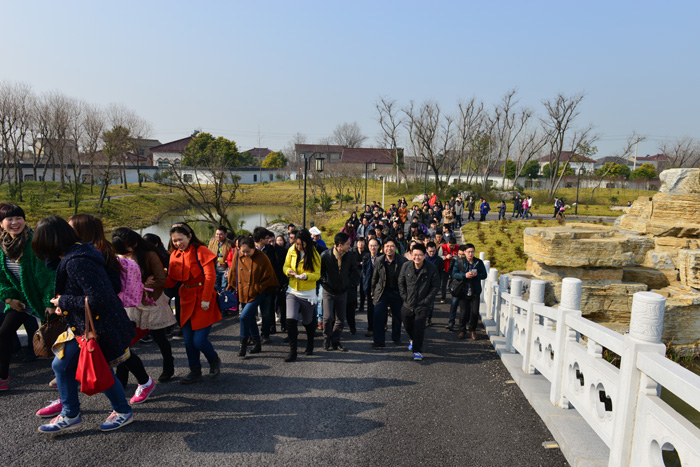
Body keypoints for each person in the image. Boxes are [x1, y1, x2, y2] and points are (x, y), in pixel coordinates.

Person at [33, 216, 135, 433]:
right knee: (65, 366)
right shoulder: (77, 253)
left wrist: (64, 301)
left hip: (97, 327)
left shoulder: (77, 261)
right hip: (85, 325)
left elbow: (99, 297)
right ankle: (72, 413)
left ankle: (117, 411)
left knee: (95, 369)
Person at [68, 214, 155, 402]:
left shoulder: (101, 251)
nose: (67, 231)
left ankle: (136, 389)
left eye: (71, 228)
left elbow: (114, 285)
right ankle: (68, 395)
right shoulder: (83, 250)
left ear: (83, 230)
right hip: (94, 313)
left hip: (105, 313)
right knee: (116, 354)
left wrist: (88, 293)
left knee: (121, 354)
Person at [0, 204, 55, 392]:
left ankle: (64, 373)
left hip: (43, 299)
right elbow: (1, 277)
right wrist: (8, 298)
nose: (15, 222)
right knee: (4, 334)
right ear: (1, 224)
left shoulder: (34, 242)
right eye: (9, 219)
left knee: (56, 337)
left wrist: (48, 302)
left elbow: (47, 275)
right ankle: (2, 378)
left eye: (19, 218)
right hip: (22, 301)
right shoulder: (3, 245)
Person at [112, 228, 176, 383]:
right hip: (130, 303)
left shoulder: (149, 254)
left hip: (150, 300)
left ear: (134, 243)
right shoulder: (119, 255)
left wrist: (142, 285)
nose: (124, 254)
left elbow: (161, 279)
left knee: (159, 337)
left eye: (125, 250)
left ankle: (168, 366)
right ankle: (122, 377)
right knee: (126, 340)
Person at [165, 222, 221, 383]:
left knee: (199, 340)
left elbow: (210, 276)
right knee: (188, 341)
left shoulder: (201, 250)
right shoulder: (175, 255)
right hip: (186, 299)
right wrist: (156, 280)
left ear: (189, 236)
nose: (178, 243)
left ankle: (214, 360)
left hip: (203, 298)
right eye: (175, 240)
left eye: (180, 239)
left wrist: (206, 299)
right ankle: (195, 371)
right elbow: (172, 281)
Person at [227, 236, 278, 358]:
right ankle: (257, 343)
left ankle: (243, 345)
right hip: (243, 290)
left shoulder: (262, 257)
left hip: (258, 292)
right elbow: (233, 271)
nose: (245, 254)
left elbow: (269, 277)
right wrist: (230, 286)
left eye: (248, 251)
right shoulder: (238, 255)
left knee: (243, 316)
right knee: (249, 317)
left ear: (254, 248)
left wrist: (258, 288)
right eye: (243, 251)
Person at [282, 229, 321, 362]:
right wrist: (288, 271)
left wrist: (306, 276)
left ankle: (310, 343)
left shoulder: (314, 254)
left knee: (307, 322)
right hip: (292, 291)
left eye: (301, 244)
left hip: (308, 293)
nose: (298, 247)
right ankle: (293, 351)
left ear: (307, 243)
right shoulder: (291, 250)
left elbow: (317, 274)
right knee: (291, 320)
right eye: (297, 244)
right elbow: (285, 266)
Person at [399, 243, 440, 361]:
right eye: (415, 255)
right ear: (411, 254)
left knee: (419, 327)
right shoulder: (406, 266)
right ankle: (413, 339)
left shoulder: (431, 268)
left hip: (423, 304)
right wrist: (404, 296)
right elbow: (401, 282)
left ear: (425, 255)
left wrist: (427, 300)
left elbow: (435, 286)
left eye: (420, 255)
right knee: (407, 324)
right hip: (408, 303)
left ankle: (417, 351)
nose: (417, 257)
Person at [319, 232, 360, 351]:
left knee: (341, 319)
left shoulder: (350, 255)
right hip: (328, 290)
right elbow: (320, 272)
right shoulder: (325, 255)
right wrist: (325, 282)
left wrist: (349, 283)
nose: (350, 246)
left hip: (342, 291)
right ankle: (327, 338)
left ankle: (336, 340)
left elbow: (354, 270)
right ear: (340, 245)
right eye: (348, 244)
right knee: (327, 317)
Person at [370, 237, 407, 348]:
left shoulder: (403, 261)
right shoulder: (379, 260)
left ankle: (396, 338)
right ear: (383, 248)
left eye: (392, 246)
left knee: (397, 316)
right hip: (382, 291)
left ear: (395, 248)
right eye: (387, 246)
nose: (389, 249)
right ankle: (379, 341)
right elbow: (375, 277)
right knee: (378, 315)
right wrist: (372, 290)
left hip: (397, 291)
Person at [450, 243, 487, 340]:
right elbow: (454, 274)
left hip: (475, 291)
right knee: (463, 313)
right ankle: (462, 330)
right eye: (468, 252)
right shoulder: (460, 261)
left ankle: (472, 330)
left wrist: (477, 275)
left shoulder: (478, 262)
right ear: (465, 252)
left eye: (472, 252)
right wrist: (464, 275)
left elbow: (484, 275)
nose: (470, 254)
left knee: (474, 313)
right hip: (463, 290)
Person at [424, 242, 443, 327]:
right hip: (423, 283)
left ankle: (429, 318)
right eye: (430, 251)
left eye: (434, 251)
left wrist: (438, 286)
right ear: (426, 250)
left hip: (433, 284)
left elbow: (440, 274)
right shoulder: (423, 259)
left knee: (430, 303)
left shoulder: (439, 260)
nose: (432, 253)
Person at [208, 226, 232, 293]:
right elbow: (208, 255)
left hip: (225, 271)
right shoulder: (212, 242)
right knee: (215, 289)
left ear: (225, 234)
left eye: (221, 234)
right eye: (217, 234)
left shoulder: (230, 243)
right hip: (214, 269)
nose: (218, 236)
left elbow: (232, 258)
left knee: (224, 290)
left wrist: (226, 263)